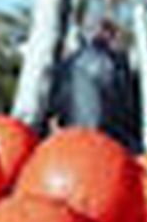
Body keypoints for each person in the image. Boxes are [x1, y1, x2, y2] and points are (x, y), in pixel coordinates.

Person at [53, 18, 140, 149]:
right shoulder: (118, 63)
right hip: (111, 142)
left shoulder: (70, 62)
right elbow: (130, 105)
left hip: (73, 142)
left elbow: (58, 104)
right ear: (109, 35)